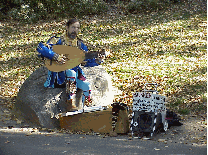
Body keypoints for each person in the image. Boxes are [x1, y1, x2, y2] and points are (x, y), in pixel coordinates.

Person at [37, 18, 91, 112]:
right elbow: (40, 48)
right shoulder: (57, 40)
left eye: (78, 28)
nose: (75, 30)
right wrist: (55, 56)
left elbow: (88, 61)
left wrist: (97, 60)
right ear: (67, 27)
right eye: (73, 27)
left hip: (75, 72)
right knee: (71, 73)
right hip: (59, 74)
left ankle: (85, 109)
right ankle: (70, 102)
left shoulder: (80, 44)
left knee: (86, 86)